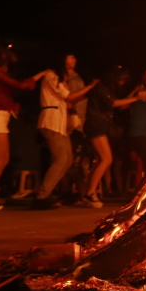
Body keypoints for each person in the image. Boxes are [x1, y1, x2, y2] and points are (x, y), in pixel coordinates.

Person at [0, 48, 48, 211]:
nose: (10, 68)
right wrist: (41, 75)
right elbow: (21, 86)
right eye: (9, 63)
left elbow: (17, 86)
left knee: (3, 159)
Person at [34, 67, 97, 209]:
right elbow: (69, 97)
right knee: (61, 158)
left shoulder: (58, 80)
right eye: (71, 58)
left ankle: (46, 193)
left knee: (67, 159)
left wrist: (88, 92)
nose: (75, 61)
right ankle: (41, 196)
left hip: (59, 124)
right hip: (51, 122)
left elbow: (70, 100)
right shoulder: (51, 76)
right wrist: (89, 87)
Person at [79, 65, 138, 208]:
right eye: (121, 79)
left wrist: (134, 95)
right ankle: (90, 193)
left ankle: (87, 193)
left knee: (100, 160)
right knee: (107, 159)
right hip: (96, 124)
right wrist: (136, 98)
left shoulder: (105, 88)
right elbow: (114, 103)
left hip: (98, 124)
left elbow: (118, 104)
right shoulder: (100, 86)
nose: (122, 82)